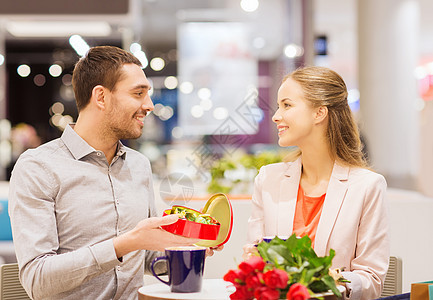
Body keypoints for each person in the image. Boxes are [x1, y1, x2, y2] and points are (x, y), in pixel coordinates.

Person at [8, 46, 206, 299]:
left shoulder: (139, 165)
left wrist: (189, 248)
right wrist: (127, 242)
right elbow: (37, 280)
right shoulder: (38, 167)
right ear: (100, 97)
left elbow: (146, 258)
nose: (150, 105)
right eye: (138, 93)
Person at [243, 66, 389, 300]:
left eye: (287, 105)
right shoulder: (268, 179)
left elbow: (371, 280)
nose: (276, 116)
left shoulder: (367, 186)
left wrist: (320, 280)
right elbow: (255, 258)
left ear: (319, 113)